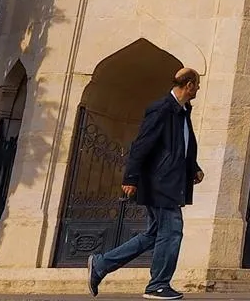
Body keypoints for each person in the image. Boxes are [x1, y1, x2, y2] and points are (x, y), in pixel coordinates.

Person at [87, 67, 203, 300]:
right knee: (171, 232)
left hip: (169, 180)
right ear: (189, 85)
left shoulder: (181, 111)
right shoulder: (162, 109)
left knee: (154, 234)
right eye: (197, 84)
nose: (198, 89)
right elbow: (142, 144)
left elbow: (179, 146)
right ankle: (158, 285)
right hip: (161, 182)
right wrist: (131, 177)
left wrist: (194, 168)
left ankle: (101, 265)